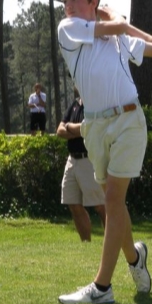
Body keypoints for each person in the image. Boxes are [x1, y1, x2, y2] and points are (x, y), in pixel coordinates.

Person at [56, 0, 152, 304]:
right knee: (112, 201)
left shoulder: (117, 36)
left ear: (93, 2)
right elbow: (110, 29)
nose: (68, 7)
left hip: (129, 120)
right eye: (66, 1)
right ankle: (134, 257)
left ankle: (101, 288)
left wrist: (119, 21)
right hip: (96, 127)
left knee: (113, 200)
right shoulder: (68, 29)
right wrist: (116, 20)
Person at [56, 92, 106, 242]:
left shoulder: (95, 103)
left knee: (100, 206)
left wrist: (69, 127)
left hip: (89, 160)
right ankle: (86, 243)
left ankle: (111, 242)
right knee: (73, 204)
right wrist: (76, 129)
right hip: (72, 160)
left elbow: (89, 128)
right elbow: (59, 130)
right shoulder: (75, 104)